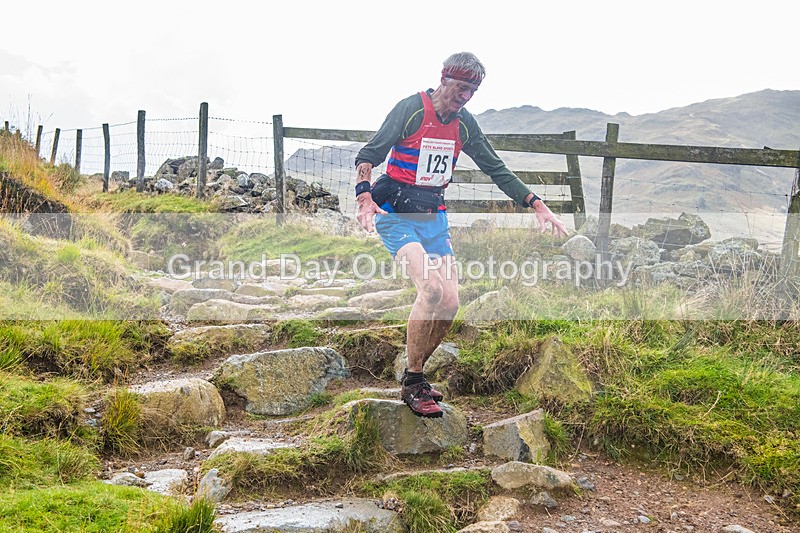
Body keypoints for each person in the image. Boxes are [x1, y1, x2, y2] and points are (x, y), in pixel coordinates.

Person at [354, 52, 568, 418]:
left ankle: (415, 374)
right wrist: (364, 195)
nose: (466, 96)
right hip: (395, 213)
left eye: (473, 91)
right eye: (461, 88)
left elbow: (495, 168)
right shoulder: (412, 109)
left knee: (450, 302)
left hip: (433, 218)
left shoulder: (465, 125)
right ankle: (413, 382)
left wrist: (536, 203)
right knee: (431, 290)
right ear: (444, 78)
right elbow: (369, 153)